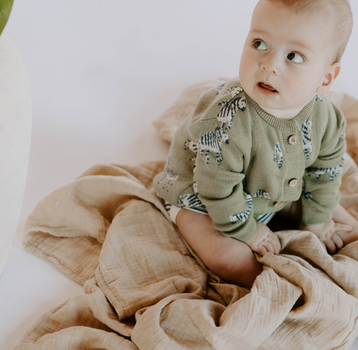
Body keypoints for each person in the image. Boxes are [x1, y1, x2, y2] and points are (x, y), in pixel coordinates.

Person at [153, 0, 357, 289]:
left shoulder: (327, 117)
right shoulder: (227, 122)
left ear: (325, 79)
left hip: (272, 191)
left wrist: (317, 221)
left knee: (343, 221)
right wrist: (248, 231)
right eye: (259, 43)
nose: (269, 64)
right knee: (227, 257)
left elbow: (325, 172)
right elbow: (216, 189)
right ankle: (281, 293)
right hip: (200, 197)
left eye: (294, 57)